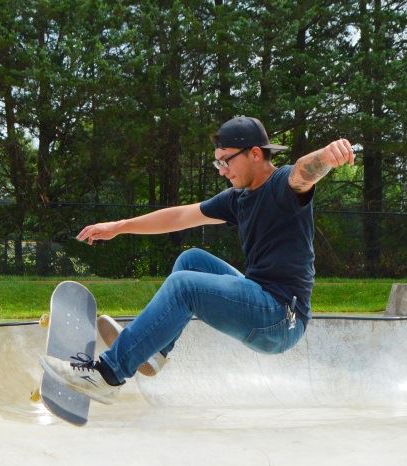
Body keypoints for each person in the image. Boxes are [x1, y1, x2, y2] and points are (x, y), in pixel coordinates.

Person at [40, 116, 355, 403]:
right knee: (191, 260)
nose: (222, 171)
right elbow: (179, 216)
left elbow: (302, 173)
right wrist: (119, 228)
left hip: (280, 318)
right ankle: (155, 353)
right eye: (217, 163)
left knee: (184, 285)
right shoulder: (238, 199)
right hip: (261, 299)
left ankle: (107, 375)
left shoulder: (282, 186)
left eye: (226, 161)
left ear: (255, 154)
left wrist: (326, 156)